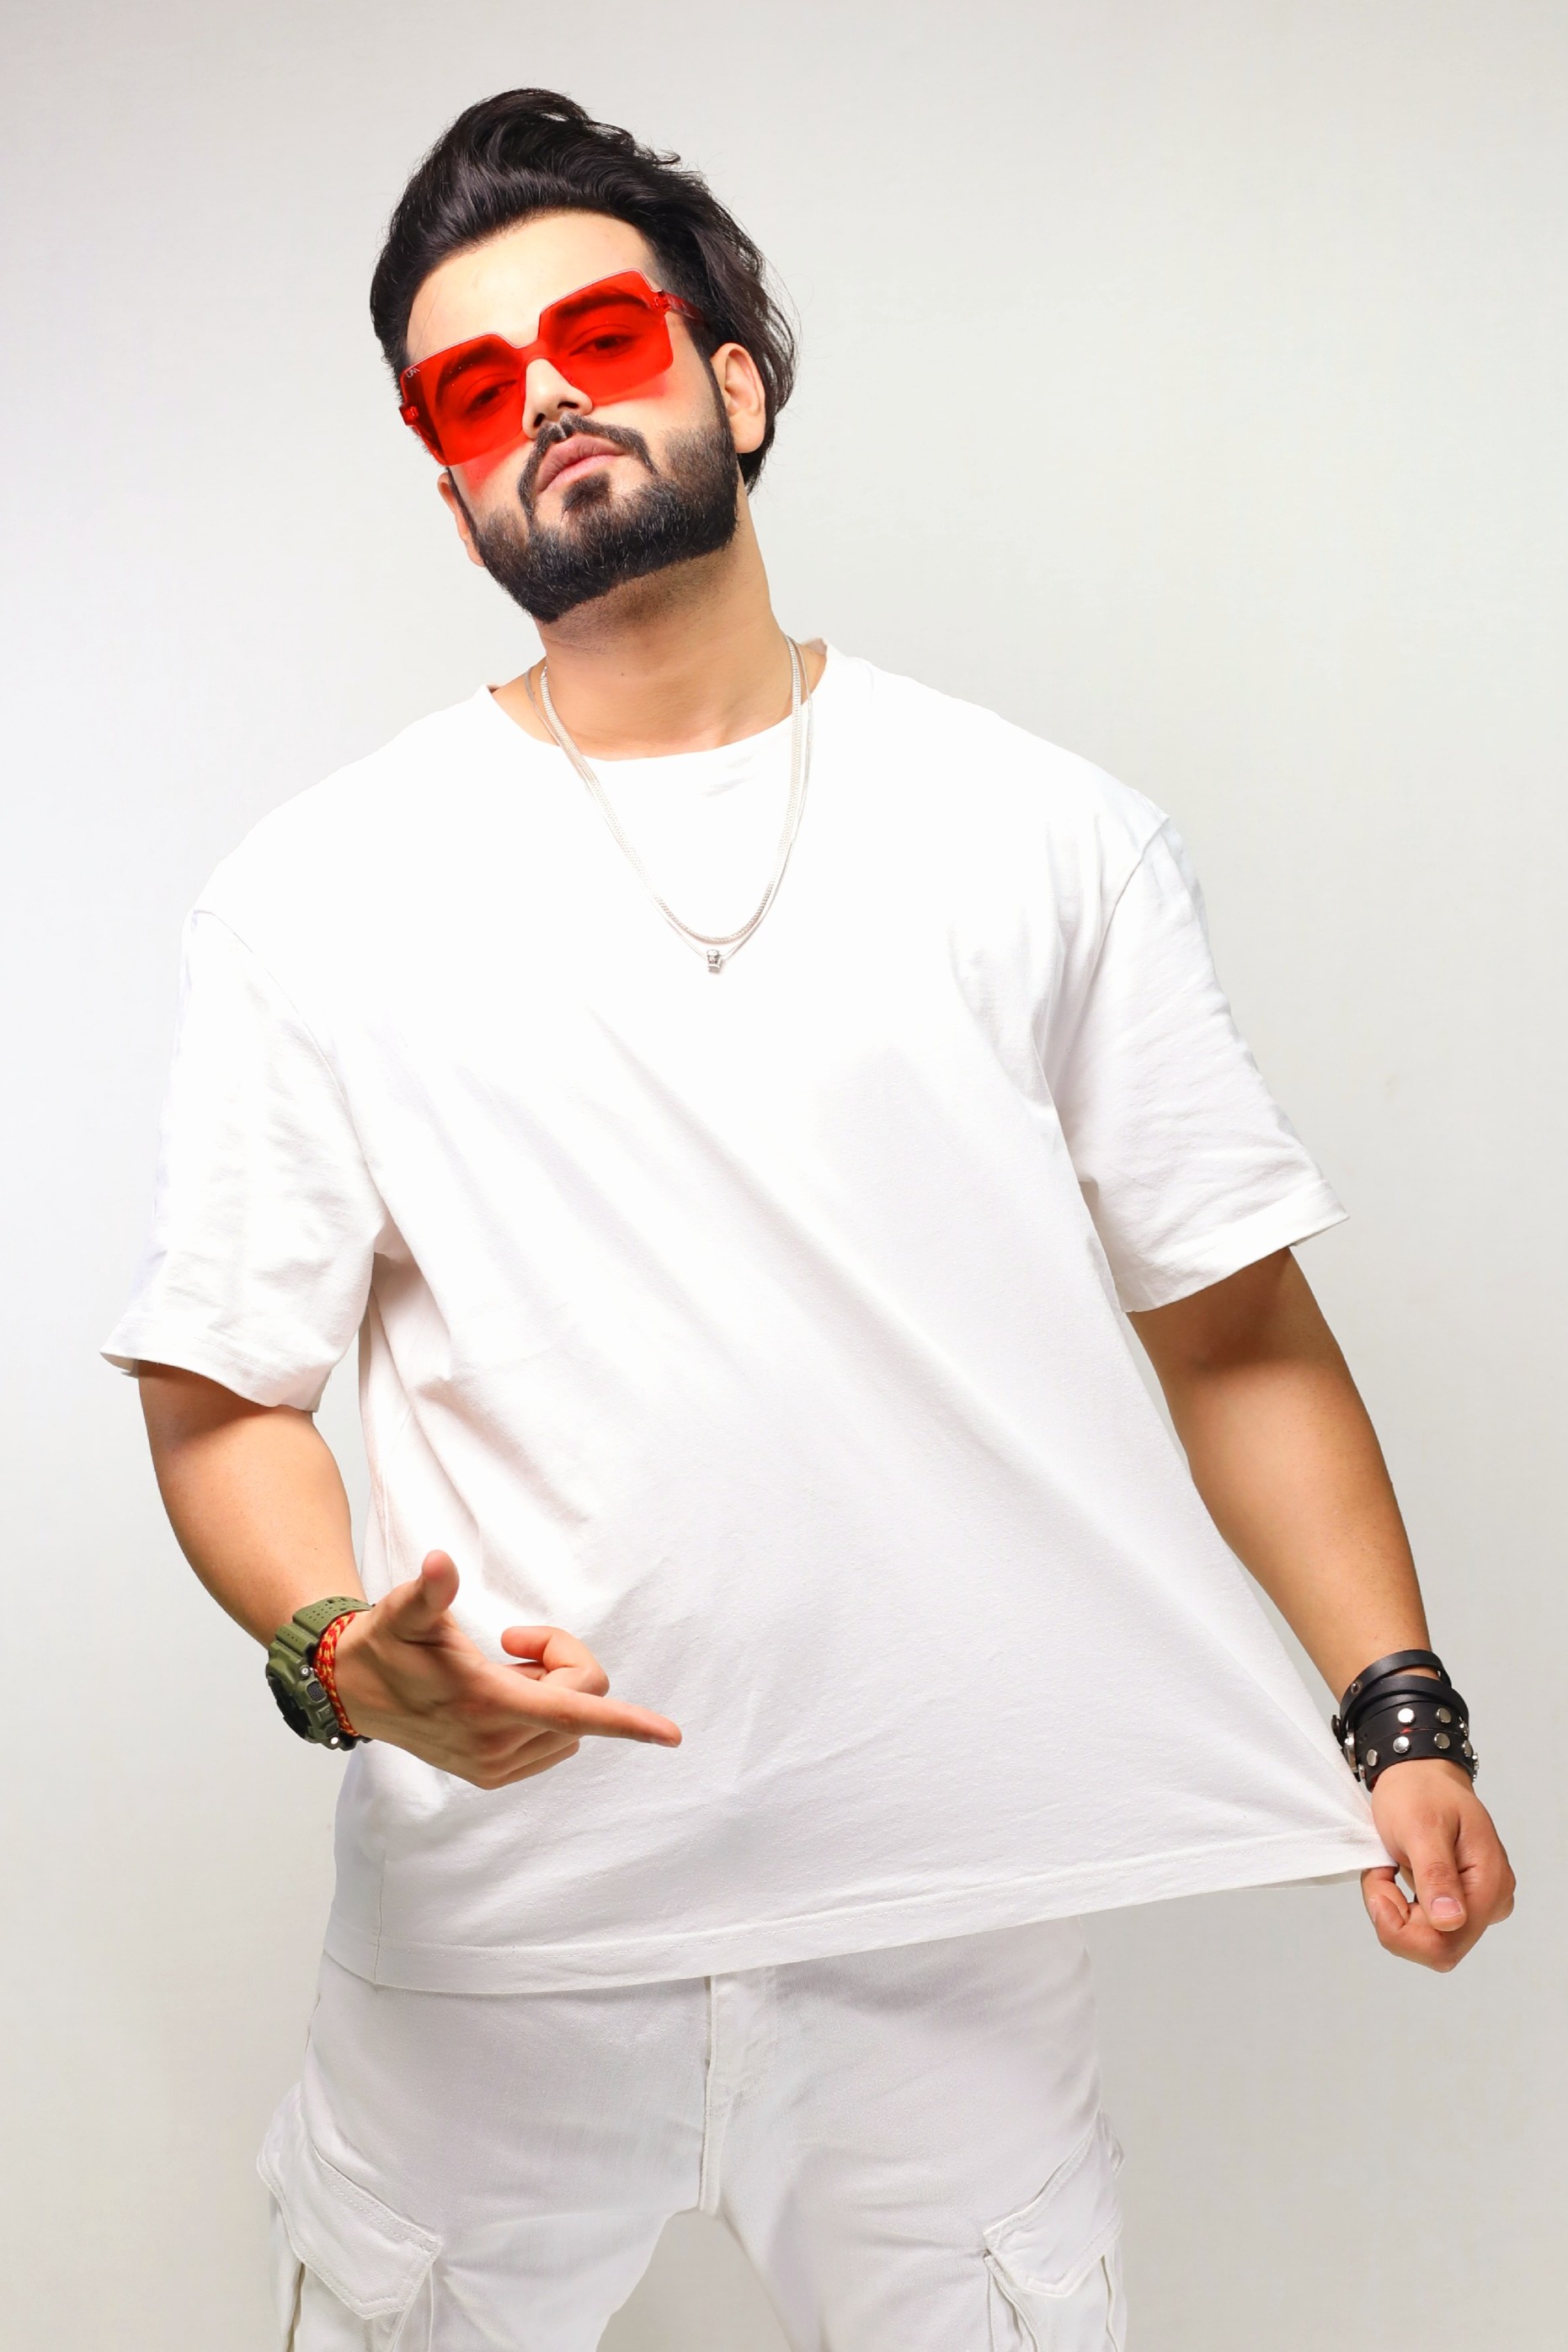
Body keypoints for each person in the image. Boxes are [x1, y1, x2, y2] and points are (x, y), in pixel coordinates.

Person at [105, 88, 1514, 2352]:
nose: (545, 399)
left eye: (600, 336)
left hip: (952, 1941)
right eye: (473, 388)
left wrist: (1402, 1710)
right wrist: (337, 1644)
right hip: (498, 1950)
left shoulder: (1045, 837)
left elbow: (1236, 1328)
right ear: (451, 487)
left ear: (737, 380)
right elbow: (223, 1394)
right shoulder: (315, 893)